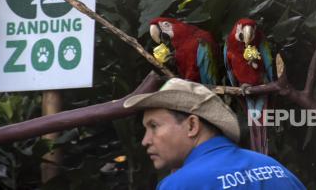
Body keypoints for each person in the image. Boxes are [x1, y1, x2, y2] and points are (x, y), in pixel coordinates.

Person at [124, 78, 306, 189]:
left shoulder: (180, 184)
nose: (145, 140)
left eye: (154, 126)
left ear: (192, 126)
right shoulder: (273, 168)